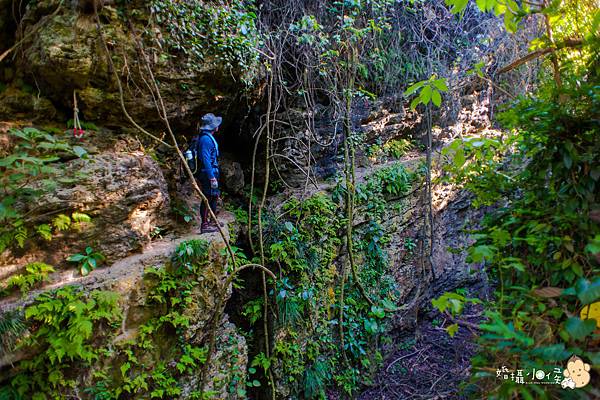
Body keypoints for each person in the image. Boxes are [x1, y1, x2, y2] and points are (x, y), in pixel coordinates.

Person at [190, 113, 222, 233]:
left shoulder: (207, 137)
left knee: (214, 196)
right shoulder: (205, 140)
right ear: (213, 127)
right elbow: (206, 159)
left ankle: (213, 221)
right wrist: (211, 177)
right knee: (208, 198)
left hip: (212, 172)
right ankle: (205, 224)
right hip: (207, 173)